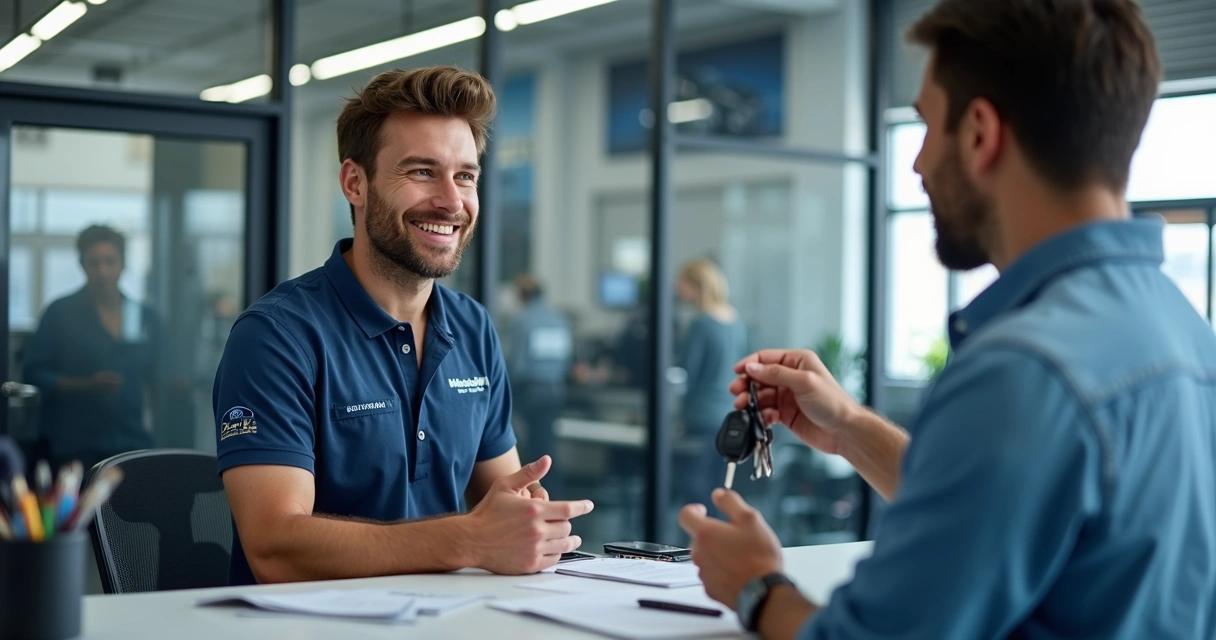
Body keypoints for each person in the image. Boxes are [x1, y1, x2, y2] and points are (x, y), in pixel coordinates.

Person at [679, 2, 1216, 639]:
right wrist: (850, 428)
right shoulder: (1185, 334)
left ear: (982, 133)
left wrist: (758, 588)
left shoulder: (1024, 370)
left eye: (927, 127)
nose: (917, 164)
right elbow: (1010, 512)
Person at [213, 66, 593, 586]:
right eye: (421, 172)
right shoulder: (278, 336)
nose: (452, 201)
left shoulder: (472, 327)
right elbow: (276, 548)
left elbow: (503, 498)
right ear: (355, 183)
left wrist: (526, 523)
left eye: (465, 175)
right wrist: (469, 538)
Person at [24, 225, 158, 472]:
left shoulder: (143, 317)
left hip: (130, 445)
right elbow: (34, 373)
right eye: (94, 263)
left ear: (123, 264)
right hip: (73, 449)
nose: (103, 271)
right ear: (82, 265)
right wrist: (85, 385)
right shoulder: (60, 313)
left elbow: (161, 376)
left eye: (110, 261)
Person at [675, 259, 747, 508]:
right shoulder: (736, 321)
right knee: (720, 490)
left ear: (697, 286)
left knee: (696, 491)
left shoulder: (701, 324)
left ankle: (695, 544)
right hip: (729, 415)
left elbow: (687, 374)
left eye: (682, 285)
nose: (678, 292)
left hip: (701, 417)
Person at [507, 274, 572, 497]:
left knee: (526, 446)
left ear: (522, 296)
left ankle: (535, 494)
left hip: (530, 391)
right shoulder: (559, 319)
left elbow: (518, 364)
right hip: (555, 390)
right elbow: (566, 359)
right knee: (546, 442)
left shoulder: (523, 320)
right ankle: (553, 492)